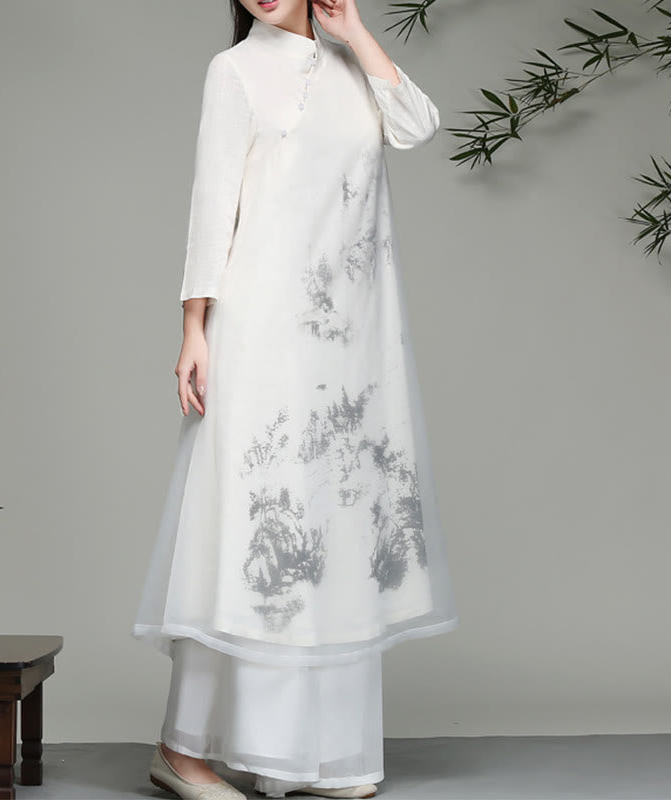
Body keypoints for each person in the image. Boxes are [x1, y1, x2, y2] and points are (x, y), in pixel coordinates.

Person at [132, 0, 460, 797]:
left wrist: (354, 32)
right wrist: (194, 329)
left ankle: (319, 756)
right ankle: (183, 751)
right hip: (262, 337)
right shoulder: (235, 71)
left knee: (337, 528)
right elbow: (213, 205)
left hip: (352, 347)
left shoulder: (352, 66)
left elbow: (418, 124)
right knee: (255, 530)